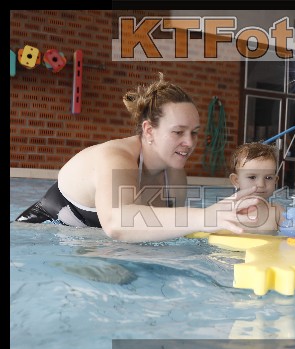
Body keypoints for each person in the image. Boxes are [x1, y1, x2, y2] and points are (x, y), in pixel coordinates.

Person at [15, 72, 260, 242]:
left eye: (194, 132)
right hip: (38, 236)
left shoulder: (174, 176)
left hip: (86, 243)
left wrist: (230, 222)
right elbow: (117, 223)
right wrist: (206, 216)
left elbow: (165, 229)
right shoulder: (115, 157)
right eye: (178, 132)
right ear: (149, 131)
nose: (190, 142)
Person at [229, 142, 286, 233]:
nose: (261, 184)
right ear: (236, 180)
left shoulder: (277, 212)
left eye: (268, 178)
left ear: (275, 181)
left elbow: (291, 235)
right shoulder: (230, 210)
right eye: (252, 177)